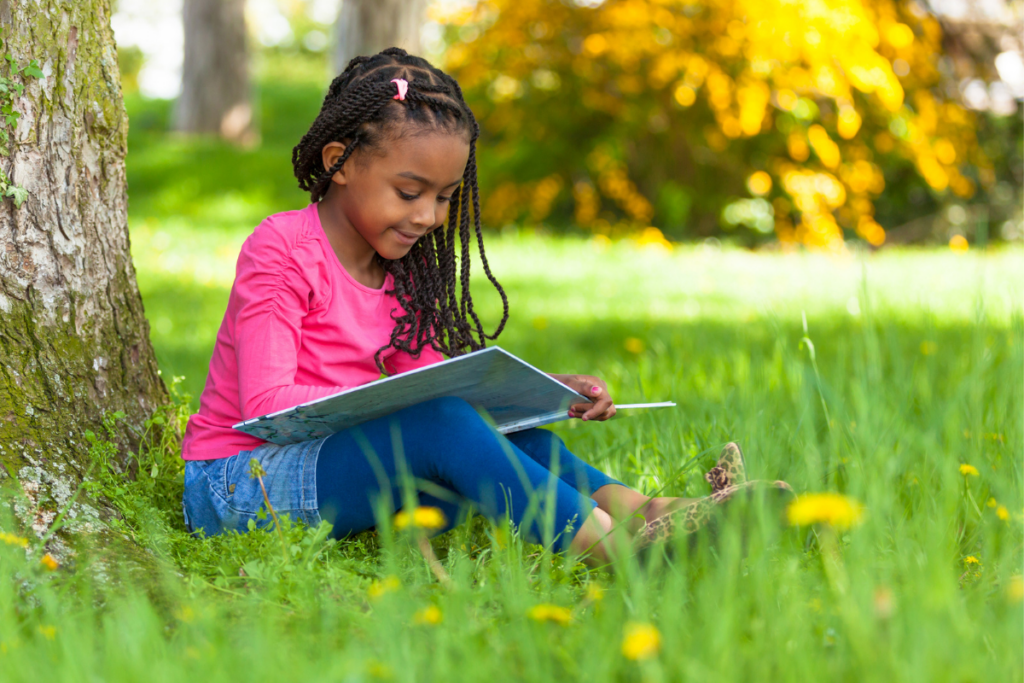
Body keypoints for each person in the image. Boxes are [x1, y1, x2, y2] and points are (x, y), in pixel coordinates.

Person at [180, 48, 786, 566]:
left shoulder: (404, 269)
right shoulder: (283, 249)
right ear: (339, 161)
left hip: (344, 470)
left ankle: (649, 510)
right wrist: (420, 411)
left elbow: (439, 385)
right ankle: (621, 552)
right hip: (241, 482)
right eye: (409, 193)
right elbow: (263, 406)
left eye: (445, 198)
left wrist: (545, 392)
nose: (428, 217)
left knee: (494, 430)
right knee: (443, 423)